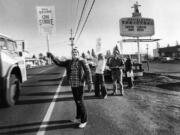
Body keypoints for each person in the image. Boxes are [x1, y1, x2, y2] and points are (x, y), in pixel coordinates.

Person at [47, 47, 93, 128]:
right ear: (71, 54)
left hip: (80, 85)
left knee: (80, 102)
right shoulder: (69, 62)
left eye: (76, 52)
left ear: (78, 53)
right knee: (77, 102)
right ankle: (78, 117)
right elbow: (59, 63)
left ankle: (84, 120)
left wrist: (90, 83)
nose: (74, 53)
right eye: (73, 52)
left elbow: (88, 71)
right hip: (73, 84)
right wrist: (52, 57)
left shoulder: (82, 61)